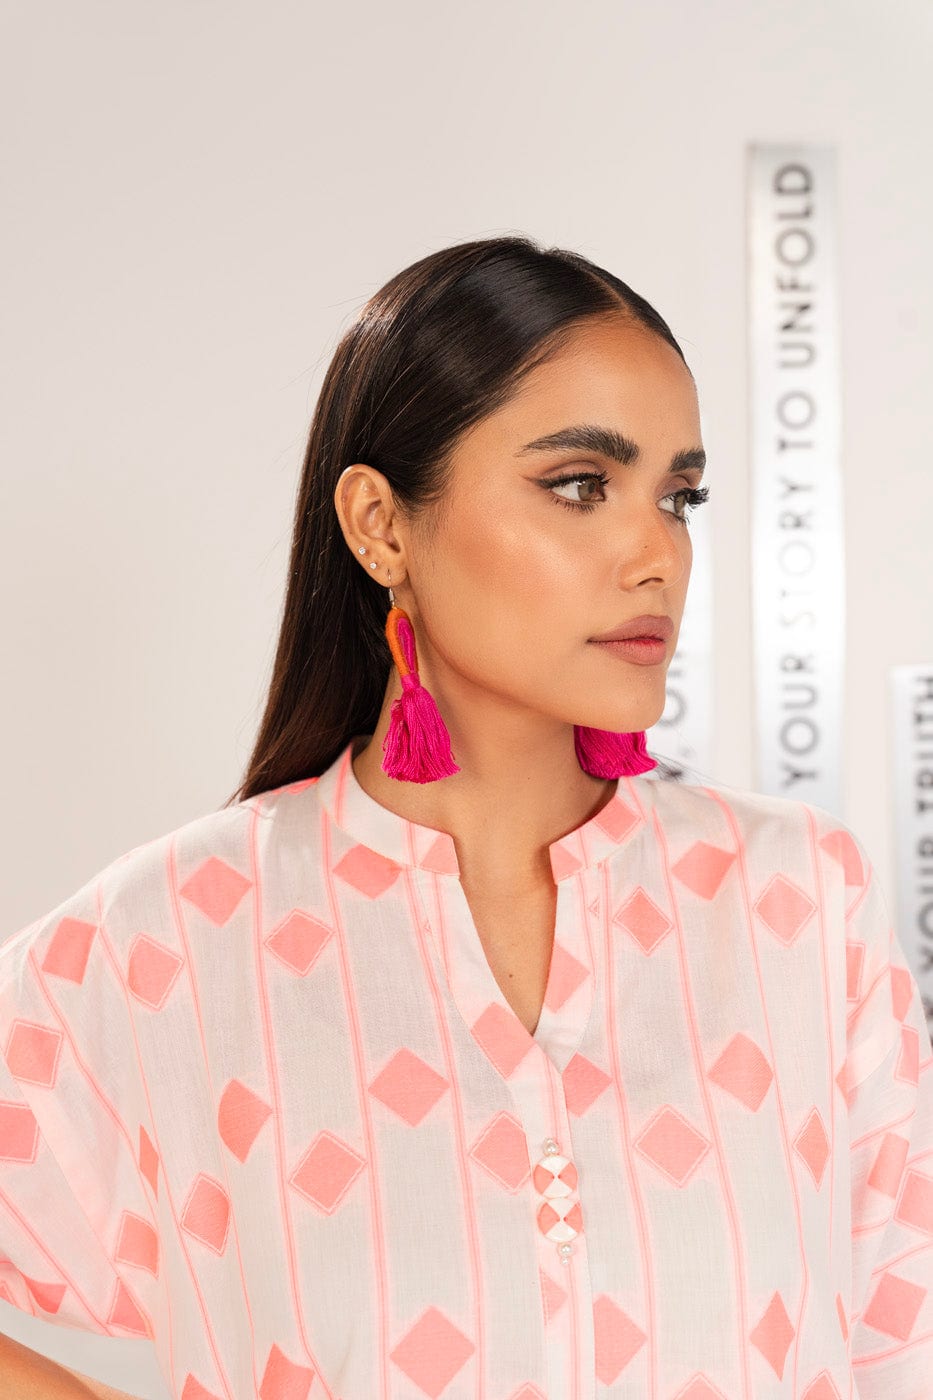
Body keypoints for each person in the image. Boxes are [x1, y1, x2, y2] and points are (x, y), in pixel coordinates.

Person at [1, 234, 930, 1400]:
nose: (657, 553)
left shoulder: (800, 901)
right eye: (581, 484)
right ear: (381, 525)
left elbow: (904, 1349)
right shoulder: (174, 942)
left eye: (679, 497)